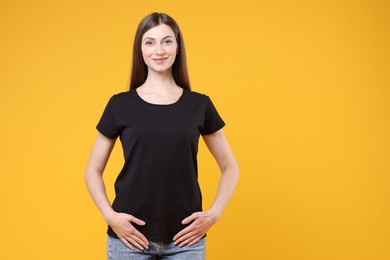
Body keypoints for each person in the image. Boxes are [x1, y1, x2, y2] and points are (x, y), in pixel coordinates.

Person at [84, 12, 239, 260]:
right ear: (141, 50)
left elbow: (230, 167)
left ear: (178, 48)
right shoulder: (119, 105)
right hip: (129, 239)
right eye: (150, 42)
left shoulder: (199, 105)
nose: (159, 50)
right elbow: (92, 169)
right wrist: (110, 216)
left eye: (167, 41)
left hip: (186, 240)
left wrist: (214, 214)